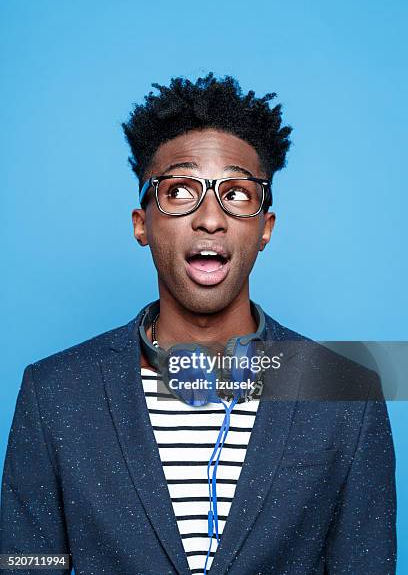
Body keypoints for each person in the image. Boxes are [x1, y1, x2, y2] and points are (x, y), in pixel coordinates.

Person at [0, 73, 396, 575]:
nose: (210, 218)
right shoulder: (53, 392)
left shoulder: (348, 393)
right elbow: (27, 564)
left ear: (265, 228)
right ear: (142, 223)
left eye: (237, 193)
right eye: (180, 190)